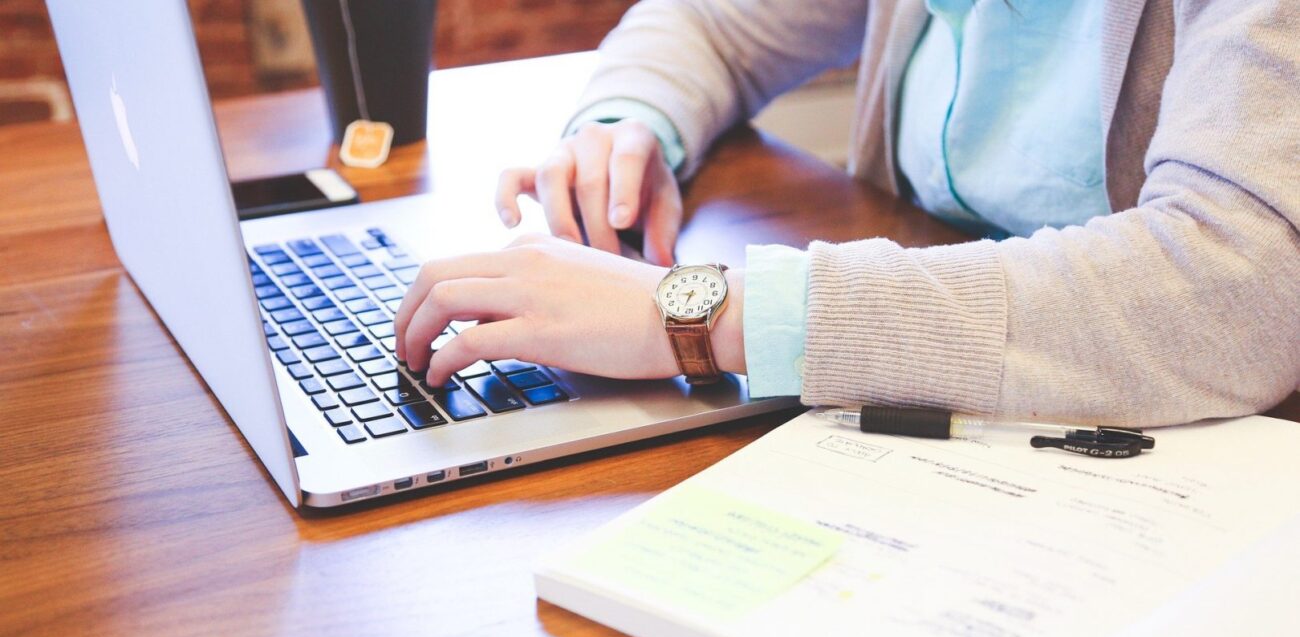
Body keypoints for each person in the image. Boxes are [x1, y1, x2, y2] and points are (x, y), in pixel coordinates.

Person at [394, 0, 1299, 426]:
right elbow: (712, 22)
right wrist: (627, 125)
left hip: (1170, 452)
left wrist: (700, 313)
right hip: (935, 414)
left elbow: (1238, 283)